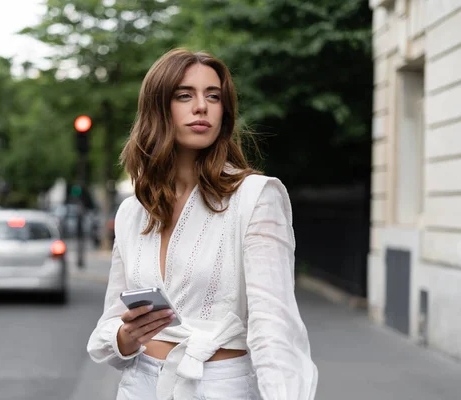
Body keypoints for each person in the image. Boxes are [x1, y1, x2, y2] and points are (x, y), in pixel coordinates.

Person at [87, 48, 318, 400]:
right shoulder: (133, 210)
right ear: (158, 108)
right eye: (184, 95)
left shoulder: (255, 196)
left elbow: (274, 326)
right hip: (140, 387)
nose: (202, 107)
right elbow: (110, 325)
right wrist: (125, 337)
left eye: (214, 96)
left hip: (218, 387)